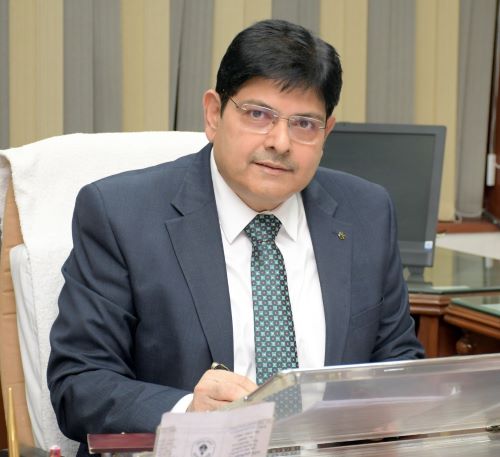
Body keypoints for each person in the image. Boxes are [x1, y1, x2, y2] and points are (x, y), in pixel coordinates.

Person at [47, 19, 424, 456]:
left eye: (304, 123)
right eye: (258, 115)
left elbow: (399, 365)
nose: (280, 142)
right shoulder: (119, 214)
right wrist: (188, 411)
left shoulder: (367, 212)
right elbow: (80, 385)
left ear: (327, 133)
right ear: (213, 113)